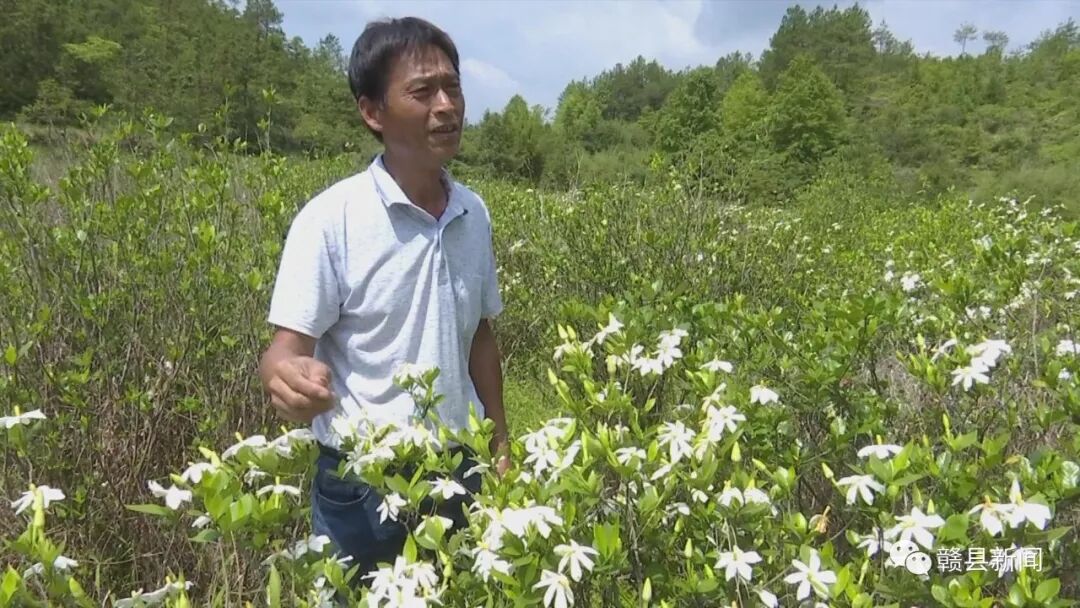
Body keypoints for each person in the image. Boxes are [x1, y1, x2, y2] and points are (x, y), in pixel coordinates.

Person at [257, 16, 509, 581]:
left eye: (453, 86)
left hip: (458, 468)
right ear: (372, 112)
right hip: (362, 482)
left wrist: (500, 446)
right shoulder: (332, 219)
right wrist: (285, 378)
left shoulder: (473, 212)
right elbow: (285, 349)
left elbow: (480, 337)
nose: (446, 105)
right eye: (422, 91)